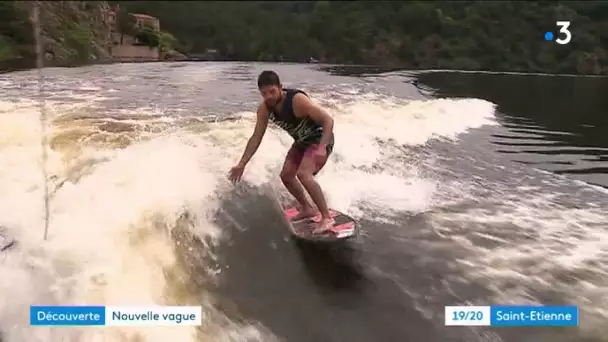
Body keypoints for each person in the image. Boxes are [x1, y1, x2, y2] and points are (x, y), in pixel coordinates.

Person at [228, 70, 336, 234]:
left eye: (272, 91)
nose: (269, 96)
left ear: (280, 88)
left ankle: (326, 217)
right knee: (286, 175)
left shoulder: (297, 101)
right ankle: (307, 208)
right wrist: (242, 164)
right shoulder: (264, 110)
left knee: (303, 174)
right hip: (302, 142)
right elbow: (256, 137)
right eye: (264, 93)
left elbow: (328, 120)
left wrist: (322, 148)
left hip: (319, 138)